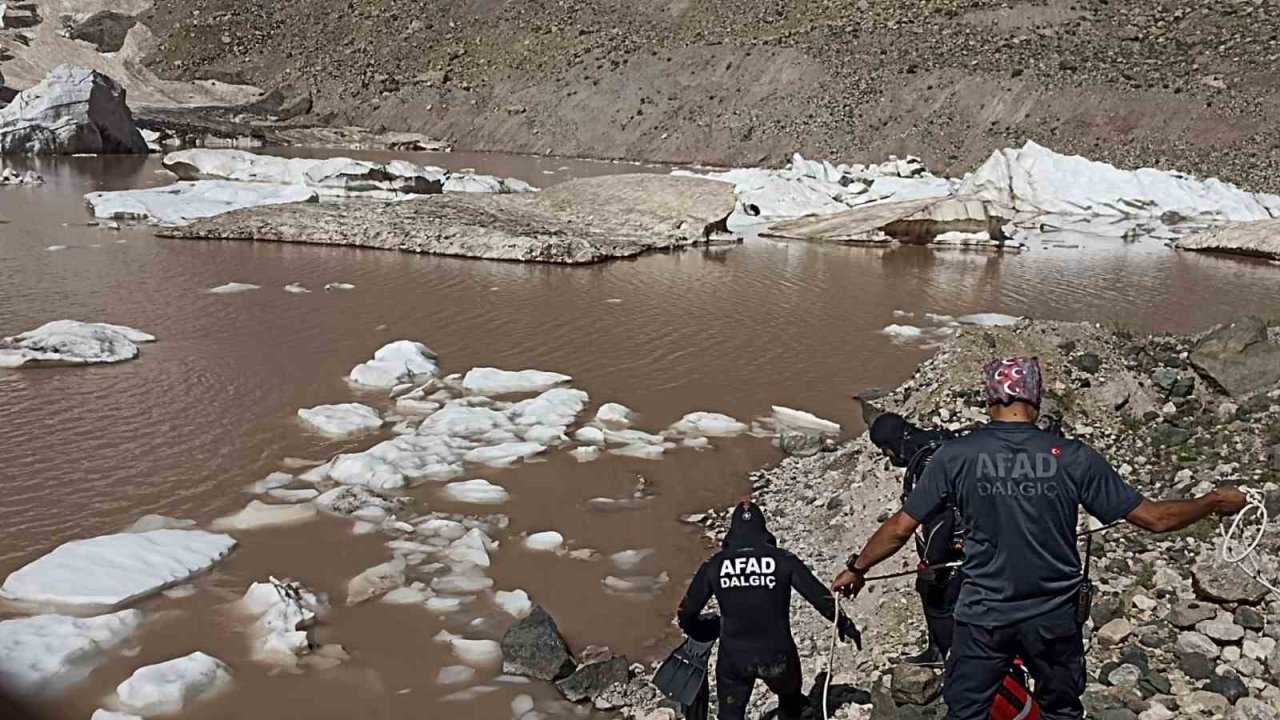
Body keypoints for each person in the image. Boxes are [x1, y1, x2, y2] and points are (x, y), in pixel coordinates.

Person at [833, 356, 1248, 720]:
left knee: (966, 710)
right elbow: (1155, 518)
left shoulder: (955, 456)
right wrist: (1212, 501)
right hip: (1052, 617)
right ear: (1037, 398)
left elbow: (900, 528)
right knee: (1061, 709)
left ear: (990, 399)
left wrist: (856, 569)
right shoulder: (1071, 456)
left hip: (983, 618)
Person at [678, 501, 860, 720]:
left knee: (730, 714)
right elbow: (820, 599)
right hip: (778, 656)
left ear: (732, 533)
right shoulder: (783, 560)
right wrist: (844, 624)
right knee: (790, 702)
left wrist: (705, 630)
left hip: (734, 658)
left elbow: (686, 613)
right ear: (763, 530)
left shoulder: (714, 565)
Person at [868, 412, 964, 667]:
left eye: (884, 450)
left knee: (937, 599)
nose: (887, 457)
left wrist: (932, 563)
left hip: (956, 544)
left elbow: (942, 517)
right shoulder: (939, 441)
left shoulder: (926, 459)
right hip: (975, 534)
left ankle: (951, 660)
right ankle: (941, 649)